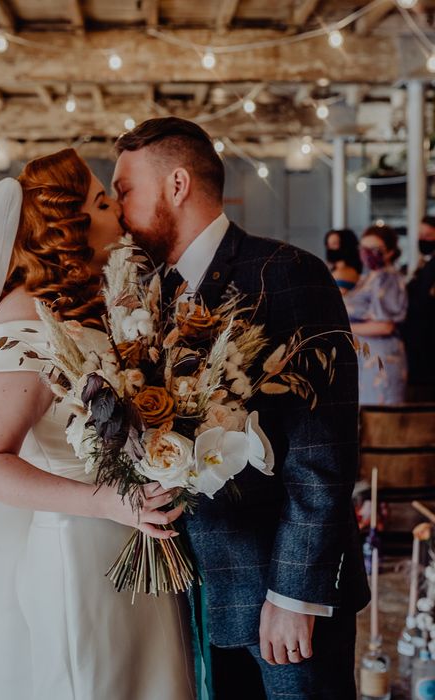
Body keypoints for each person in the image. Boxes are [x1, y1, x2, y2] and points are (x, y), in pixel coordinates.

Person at [112, 117, 369, 700]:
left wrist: (293, 594)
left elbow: (322, 454)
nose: (118, 208)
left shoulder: (286, 274)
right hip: (197, 595)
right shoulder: (151, 295)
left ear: (176, 184)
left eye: (125, 190)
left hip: (282, 601)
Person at [0, 151, 195, 700]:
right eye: (103, 203)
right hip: (77, 549)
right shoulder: (20, 327)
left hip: (125, 536)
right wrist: (106, 502)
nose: (120, 214)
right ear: (68, 225)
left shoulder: (79, 310)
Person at [344, 225, 408, 405]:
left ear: (390, 252)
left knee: (379, 415)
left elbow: (385, 325)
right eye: (364, 248)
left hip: (381, 357)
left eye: (375, 249)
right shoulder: (368, 277)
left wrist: (343, 327)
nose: (367, 254)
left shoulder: (388, 278)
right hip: (366, 356)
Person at [403, 216, 435, 401]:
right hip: (418, 337)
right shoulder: (426, 263)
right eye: (421, 235)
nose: (423, 239)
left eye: (429, 235)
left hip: (427, 338)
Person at [324, 228, 361, 294]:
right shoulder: (331, 267)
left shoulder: (346, 272)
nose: (330, 249)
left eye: (335, 244)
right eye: (328, 245)